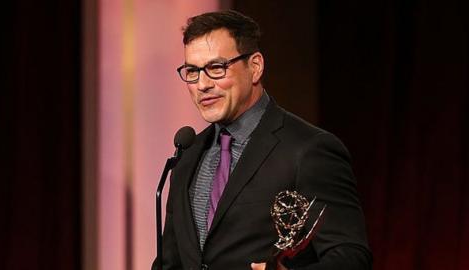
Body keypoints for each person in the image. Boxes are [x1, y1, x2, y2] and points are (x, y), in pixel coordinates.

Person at [154, 10, 372, 270]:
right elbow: (171, 263)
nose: (202, 84)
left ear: (255, 67)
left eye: (216, 68)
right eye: (192, 71)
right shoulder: (187, 155)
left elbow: (351, 257)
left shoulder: (309, 150)